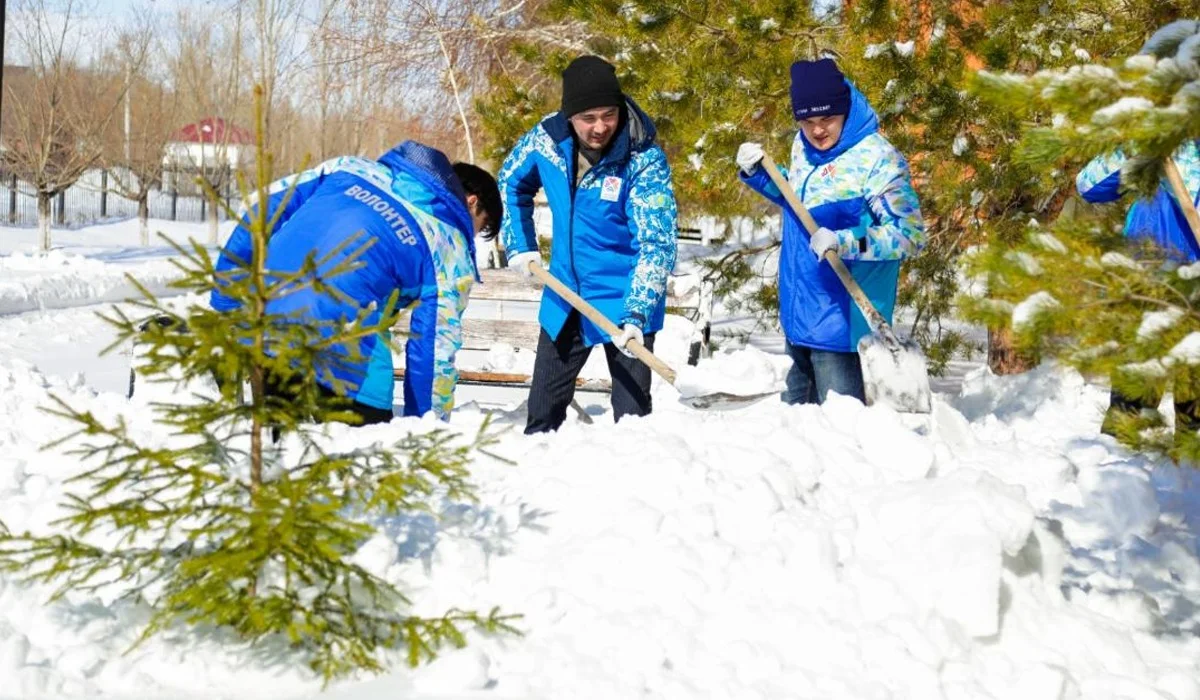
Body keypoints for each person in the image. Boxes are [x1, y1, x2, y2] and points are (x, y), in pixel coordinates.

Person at [210, 140, 502, 424]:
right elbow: (435, 345)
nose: (474, 236)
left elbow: (261, 210)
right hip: (346, 359)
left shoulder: (349, 169)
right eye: (482, 226)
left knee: (284, 455)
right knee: (361, 458)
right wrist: (425, 425)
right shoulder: (448, 244)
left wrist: (226, 301)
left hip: (265, 329)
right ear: (471, 202)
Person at [498, 55, 679, 434]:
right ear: (570, 116)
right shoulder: (547, 141)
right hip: (565, 296)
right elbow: (511, 180)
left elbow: (656, 244)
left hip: (624, 300)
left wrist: (637, 314)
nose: (600, 127)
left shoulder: (642, 158)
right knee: (542, 414)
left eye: (608, 115)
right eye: (588, 118)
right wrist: (520, 244)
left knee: (631, 422)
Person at [736, 58, 926, 405]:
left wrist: (845, 241)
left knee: (841, 439)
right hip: (800, 318)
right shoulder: (803, 147)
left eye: (827, 119)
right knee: (796, 440)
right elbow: (799, 201)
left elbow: (909, 235)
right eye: (808, 121)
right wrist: (761, 174)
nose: (818, 130)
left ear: (845, 110)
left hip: (844, 329)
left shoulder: (877, 159)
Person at [1076, 145, 1200, 440]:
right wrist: (1136, 146)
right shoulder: (1161, 139)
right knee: (1130, 411)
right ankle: (1122, 476)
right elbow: (1089, 186)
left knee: (1195, 420)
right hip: (1148, 287)